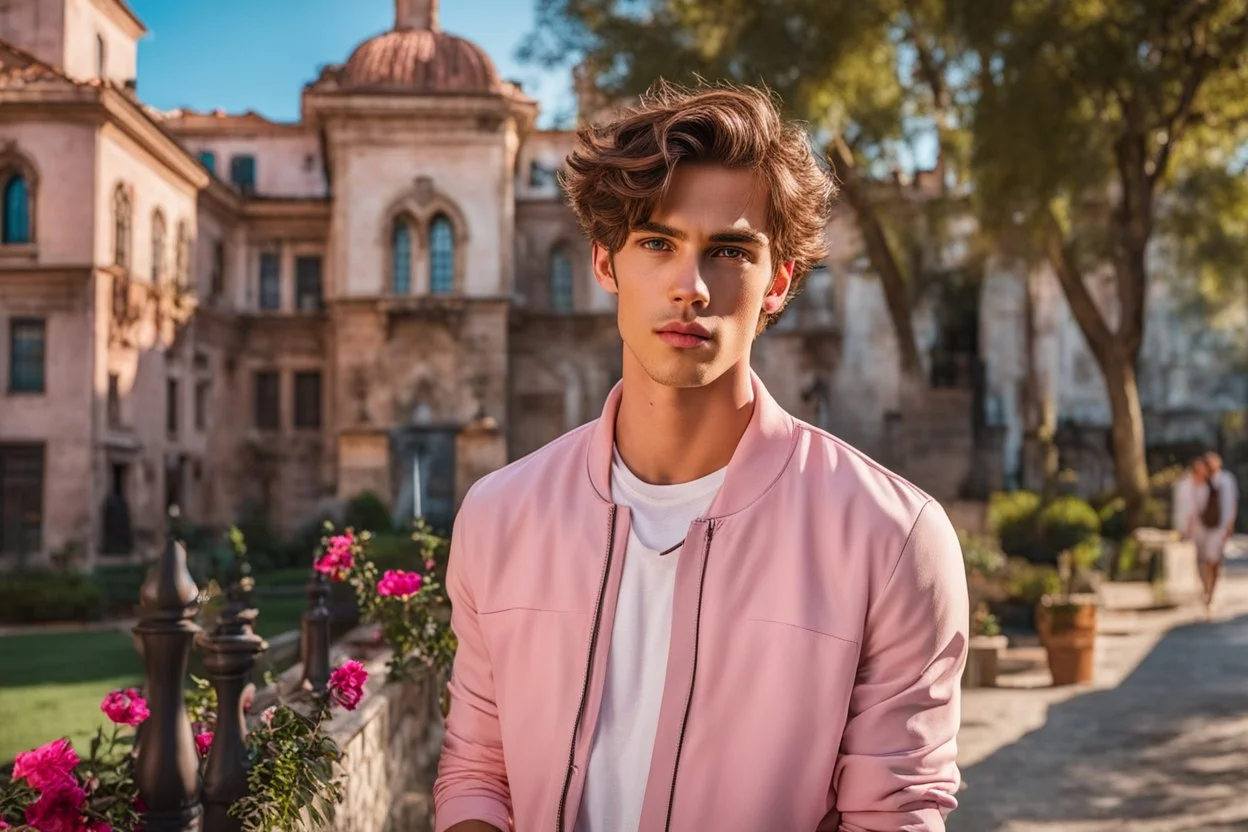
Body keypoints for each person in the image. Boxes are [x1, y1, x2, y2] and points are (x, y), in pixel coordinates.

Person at [433, 82, 969, 832]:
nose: (690, 288)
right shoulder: (499, 516)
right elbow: (479, 772)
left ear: (778, 281)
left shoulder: (892, 540)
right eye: (657, 242)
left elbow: (895, 815)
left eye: (728, 251)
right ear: (605, 262)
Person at [1198, 451, 1239, 612]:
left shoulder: (1226, 480)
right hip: (1204, 527)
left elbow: (1231, 502)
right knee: (1206, 560)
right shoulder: (1202, 481)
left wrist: (1229, 525)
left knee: (1214, 560)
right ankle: (1207, 589)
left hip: (1219, 526)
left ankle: (1211, 592)